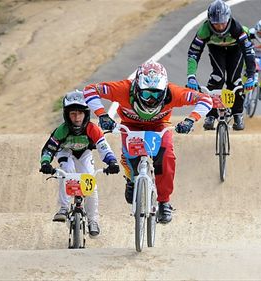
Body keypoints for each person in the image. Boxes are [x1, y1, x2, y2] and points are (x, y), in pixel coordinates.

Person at [82, 61, 212, 224]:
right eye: (146, 94)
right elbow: (89, 90)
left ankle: (164, 202)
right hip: (130, 125)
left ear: (165, 91)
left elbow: (206, 100)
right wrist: (102, 115)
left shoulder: (174, 92)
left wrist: (190, 120)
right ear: (136, 88)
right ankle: (131, 179)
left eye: (157, 95)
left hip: (160, 126)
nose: (151, 100)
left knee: (166, 158)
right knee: (130, 158)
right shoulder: (123, 88)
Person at [39, 90, 120, 238]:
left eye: (80, 114)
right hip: (65, 152)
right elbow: (49, 149)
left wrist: (112, 161)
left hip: (84, 154)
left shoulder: (93, 129)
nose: (77, 118)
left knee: (90, 182)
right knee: (66, 172)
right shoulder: (61, 130)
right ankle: (63, 208)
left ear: (86, 114)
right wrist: (45, 163)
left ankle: (92, 220)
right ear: (67, 115)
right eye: (73, 114)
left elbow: (104, 148)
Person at [186, 0, 256, 131]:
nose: (220, 27)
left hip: (236, 49)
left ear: (228, 19)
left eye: (223, 23)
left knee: (234, 81)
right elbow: (194, 53)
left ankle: (237, 114)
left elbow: (248, 53)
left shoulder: (237, 28)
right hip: (216, 48)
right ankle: (210, 116)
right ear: (209, 21)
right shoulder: (204, 29)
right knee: (217, 77)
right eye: (216, 23)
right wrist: (191, 76)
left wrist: (251, 75)